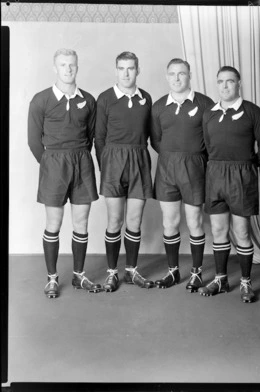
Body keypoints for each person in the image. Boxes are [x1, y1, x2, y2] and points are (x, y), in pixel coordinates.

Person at [28, 48, 101, 299]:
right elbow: (33, 141)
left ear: (77, 67)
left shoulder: (88, 100)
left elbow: (91, 136)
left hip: (81, 161)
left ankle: (79, 275)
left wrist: (80, 158)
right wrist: (50, 164)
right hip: (54, 164)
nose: (68, 69)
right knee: (54, 223)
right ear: (55, 68)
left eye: (72, 65)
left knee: (81, 222)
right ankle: (52, 278)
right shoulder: (41, 100)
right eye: (63, 65)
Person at [199, 65, 260, 303]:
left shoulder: (253, 112)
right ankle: (221, 279)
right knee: (219, 230)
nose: (224, 86)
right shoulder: (209, 113)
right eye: (220, 81)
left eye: (229, 81)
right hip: (215, 175)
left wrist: (247, 167)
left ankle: (245, 282)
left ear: (238, 84)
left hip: (242, 176)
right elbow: (207, 146)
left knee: (241, 232)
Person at [151, 58, 214, 291]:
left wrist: (193, 157)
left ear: (190, 75)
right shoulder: (158, 106)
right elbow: (156, 140)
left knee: (195, 221)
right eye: (172, 74)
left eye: (182, 74)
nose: (177, 78)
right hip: (167, 167)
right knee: (170, 222)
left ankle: (196, 273)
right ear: (167, 76)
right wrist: (172, 156)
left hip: (195, 166)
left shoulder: (205, 104)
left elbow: (211, 139)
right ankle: (173, 271)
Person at [95, 51, 154, 292]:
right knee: (115, 220)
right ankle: (112, 273)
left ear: (138, 70)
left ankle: (131, 271)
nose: (126, 73)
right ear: (116, 70)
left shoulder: (146, 98)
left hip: (139, 158)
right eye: (122, 68)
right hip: (113, 160)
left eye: (131, 68)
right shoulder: (106, 98)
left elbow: (152, 133)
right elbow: (99, 137)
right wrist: (106, 166)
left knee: (134, 220)